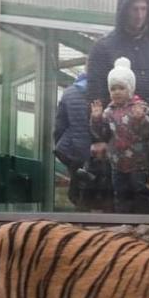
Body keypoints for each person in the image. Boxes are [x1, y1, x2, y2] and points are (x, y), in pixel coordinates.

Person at [86, 0, 149, 210]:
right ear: (123, 11)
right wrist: (97, 139)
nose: (140, 15)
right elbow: (94, 94)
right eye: (134, 9)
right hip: (118, 144)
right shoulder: (104, 47)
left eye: (144, 9)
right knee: (121, 201)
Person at [90, 57, 149, 214]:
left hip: (139, 163)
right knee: (120, 195)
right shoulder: (108, 111)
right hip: (117, 164)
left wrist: (141, 119)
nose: (117, 92)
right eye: (113, 89)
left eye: (121, 88)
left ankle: (144, 222)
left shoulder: (140, 107)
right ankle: (122, 222)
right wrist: (96, 119)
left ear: (130, 89)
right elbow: (101, 134)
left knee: (142, 193)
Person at [54, 72, 108, 210]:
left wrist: (61, 143)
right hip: (99, 152)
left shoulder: (68, 93)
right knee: (100, 188)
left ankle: (80, 216)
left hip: (74, 150)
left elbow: (60, 125)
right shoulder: (103, 90)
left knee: (79, 187)